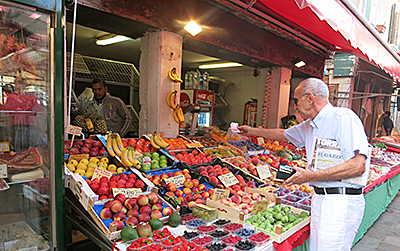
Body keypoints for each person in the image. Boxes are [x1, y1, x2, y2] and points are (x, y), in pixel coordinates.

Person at [239, 78, 369, 251]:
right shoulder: (311, 125)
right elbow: (284, 134)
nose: (294, 106)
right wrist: (252, 131)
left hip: (340, 201)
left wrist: (311, 176)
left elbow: (358, 165)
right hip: (320, 197)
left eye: (295, 100)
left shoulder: (343, 118)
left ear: (310, 98)